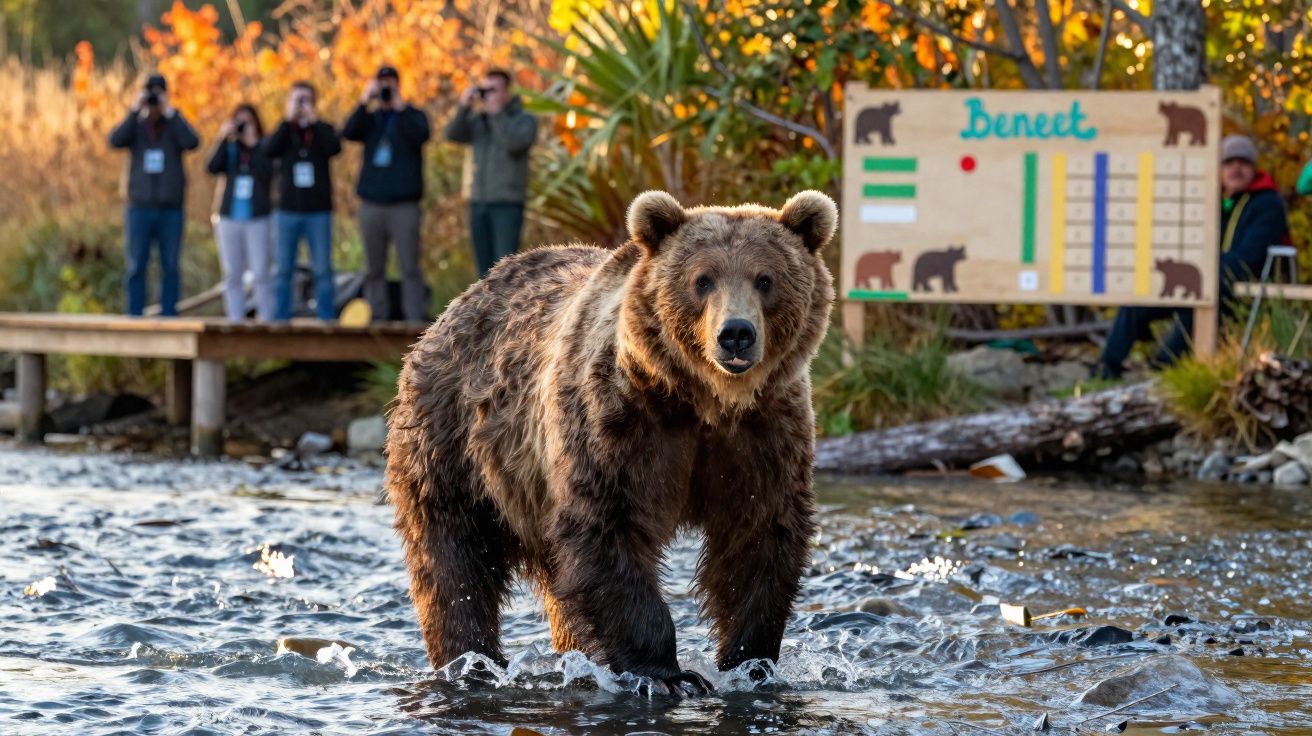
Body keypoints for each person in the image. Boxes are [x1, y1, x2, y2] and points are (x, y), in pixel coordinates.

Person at [1098, 134, 1290, 378]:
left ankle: (1164, 367)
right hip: (1204, 279)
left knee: (1198, 304)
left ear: (1253, 168)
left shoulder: (1267, 204)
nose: (1236, 169)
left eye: (1243, 163)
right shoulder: (1211, 202)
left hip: (1242, 285)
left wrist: (1202, 273)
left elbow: (1250, 257)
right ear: (1219, 168)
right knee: (1139, 299)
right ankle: (1107, 369)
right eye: (1229, 163)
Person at [342, 65, 432, 322]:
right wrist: (363, 101)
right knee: (374, 268)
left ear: (399, 85)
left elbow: (422, 135)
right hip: (371, 204)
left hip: (404, 206)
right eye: (381, 83)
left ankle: (414, 320)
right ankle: (377, 317)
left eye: (390, 83)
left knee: (410, 267)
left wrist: (400, 106)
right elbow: (348, 132)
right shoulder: (371, 119)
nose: (385, 88)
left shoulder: (412, 115)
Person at [108, 73, 200, 316]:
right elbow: (115, 141)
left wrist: (171, 112)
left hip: (171, 207)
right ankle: (134, 316)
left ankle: (169, 315)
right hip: (139, 206)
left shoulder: (173, 124)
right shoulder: (136, 125)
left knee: (170, 265)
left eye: (158, 94)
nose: (153, 99)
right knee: (136, 264)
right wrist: (133, 111)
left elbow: (192, 142)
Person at [444, 69, 538, 277]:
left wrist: (497, 114)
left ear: (507, 93)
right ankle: (485, 310)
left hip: (506, 203)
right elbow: (451, 134)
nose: (489, 95)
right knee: (483, 271)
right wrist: (463, 107)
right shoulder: (479, 121)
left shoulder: (524, 120)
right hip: (478, 201)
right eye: (486, 90)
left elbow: (515, 143)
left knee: (504, 269)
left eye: (494, 90)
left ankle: (504, 309)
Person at [264, 81, 342, 322]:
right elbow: (268, 149)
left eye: (306, 99)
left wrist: (314, 121)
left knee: (322, 268)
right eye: (297, 99)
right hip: (286, 210)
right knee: (284, 268)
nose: (301, 105)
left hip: (318, 210)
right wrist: (287, 120)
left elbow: (334, 147)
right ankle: (281, 318)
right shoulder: (285, 131)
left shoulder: (322, 129)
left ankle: (326, 317)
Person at [207, 104, 275, 321]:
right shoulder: (229, 147)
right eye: (239, 121)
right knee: (232, 274)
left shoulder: (265, 147)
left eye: (248, 122)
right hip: (229, 217)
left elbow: (269, 174)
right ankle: (235, 319)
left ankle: (267, 319)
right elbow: (211, 167)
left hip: (258, 217)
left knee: (261, 272)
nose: (243, 126)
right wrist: (222, 137)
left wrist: (254, 145)